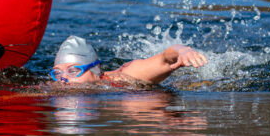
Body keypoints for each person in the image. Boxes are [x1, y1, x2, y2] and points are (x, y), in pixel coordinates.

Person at [50, 36, 208, 85]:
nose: (64, 79)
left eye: (73, 70)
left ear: (95, 70)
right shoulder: (53, 85)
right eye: (57, 72)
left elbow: (165, 59)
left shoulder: (127, 75)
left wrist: (184, 51)